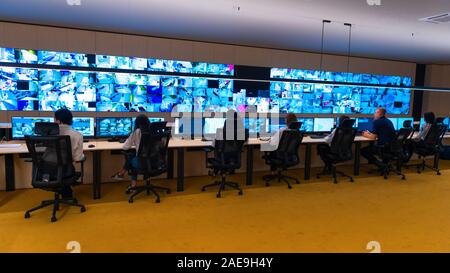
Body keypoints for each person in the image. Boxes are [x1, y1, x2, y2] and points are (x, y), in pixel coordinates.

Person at [112, 115, 151, 191]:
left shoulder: (137, 132)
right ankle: (122, 174)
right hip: (155, 162)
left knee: (130, 157)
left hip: (142, 163)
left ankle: (124, 175)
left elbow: (125, 147)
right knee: (133, 156)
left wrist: (134, 141)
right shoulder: (153, 131)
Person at [54, 108, 84, 198]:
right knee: (65, 166)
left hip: (46, 170)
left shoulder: (49, 133)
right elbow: (78, 158)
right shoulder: (77, 135)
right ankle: (66, 193)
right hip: (66, 171)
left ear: (58, 121)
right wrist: (83, 156)